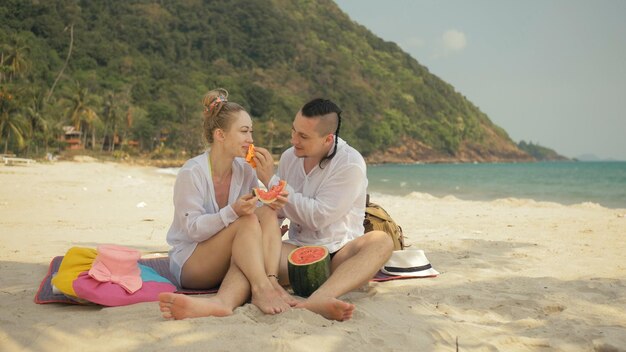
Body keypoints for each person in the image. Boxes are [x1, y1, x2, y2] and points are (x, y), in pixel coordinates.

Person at [158, 88, 296, 320]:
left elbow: (261, 214)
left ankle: (228, 300)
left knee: (266, 213)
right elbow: (192, 229)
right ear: (220, 135)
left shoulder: (244, 169)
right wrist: (232, 212)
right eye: (243, 132)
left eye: (251, 131)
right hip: (191, 262)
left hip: (228, 255)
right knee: (247, 220)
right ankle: (262, 288)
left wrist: (272, 192)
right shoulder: (192, 172)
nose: (251, 139)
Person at [252, 98, 394, 321]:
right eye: (294, 131)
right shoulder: (290, 157)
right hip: (295, 252)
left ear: (328, 139)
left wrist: (271, 180)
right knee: (247, 249)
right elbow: (279, 208)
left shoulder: (350, 164)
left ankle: (322, 296)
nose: (293, 140)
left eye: (303, 137)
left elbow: (318, 217)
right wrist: (266, 223)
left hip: (339, 254)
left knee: (381, 242)